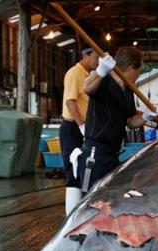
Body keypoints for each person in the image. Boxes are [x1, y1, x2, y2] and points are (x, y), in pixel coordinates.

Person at [76, 47, 158, 192]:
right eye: (138, 72)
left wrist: (145, 116)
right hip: (95, 154)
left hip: (113, 154)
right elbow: (87, 88)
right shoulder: (104, 79)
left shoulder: (128, 91)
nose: (138, 76)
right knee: (91, 199)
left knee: (108, 198)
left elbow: (130, 122)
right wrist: (101, 70)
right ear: (131, 69)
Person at [60, 45, 98, 214]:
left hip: (82, 127)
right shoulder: (75, 73)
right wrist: (81, 125)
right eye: (96, 57)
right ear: (85, 55)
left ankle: (80, 213)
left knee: (83, 170)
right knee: (73, 170)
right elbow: (70, 101)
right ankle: (71, 218)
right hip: (73, 127)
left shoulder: (88, 75)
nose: (98, 61)